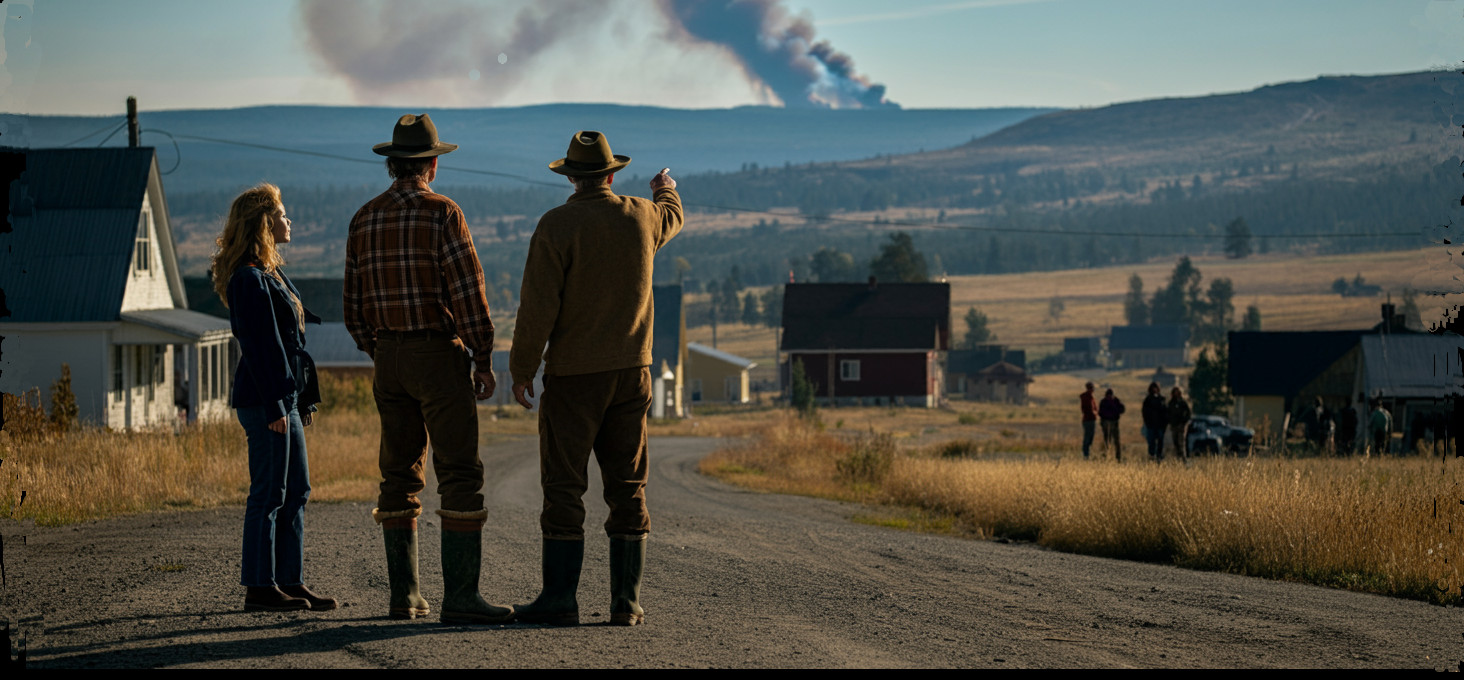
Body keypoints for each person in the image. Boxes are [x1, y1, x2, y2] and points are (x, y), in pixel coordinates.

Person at [509, 131, 683, 626]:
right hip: (633, 373)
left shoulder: (556, 225)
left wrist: (522, 370)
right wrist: (665, 187)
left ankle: (560, 599)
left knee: (564, 487)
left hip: (573, 379)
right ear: (611, 174)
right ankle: (625, 602)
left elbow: (538, 307)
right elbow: (672, 214)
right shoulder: (643, 216)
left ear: (569, 176)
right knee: (628, 485)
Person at [344, 113, 511, 624]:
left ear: (392, 164)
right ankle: (460, 597)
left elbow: (353, 309)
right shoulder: (444, 213)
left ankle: (406, 596)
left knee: (398, 474)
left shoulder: (364, 218)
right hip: (437, 354)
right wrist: (483, 358)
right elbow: (468, 294)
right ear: (432, 165)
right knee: (458, 471)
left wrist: (384, 351)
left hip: (388, 357)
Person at [213, 183, 334, 612]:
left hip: (286, 398)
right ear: (265, 223)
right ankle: (258, 588)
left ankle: (289, 580)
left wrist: (294, 400)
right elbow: (261, 346)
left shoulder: (269, 271)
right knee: (268, 493)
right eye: (282, 214)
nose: (289, 220)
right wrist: (277, 405)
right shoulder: (248, 277)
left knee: (297, 489)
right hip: (266, 400)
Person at [1141, 382, 1168, 462]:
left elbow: (1165, 412)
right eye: (1153, 388)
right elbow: (1145, 413)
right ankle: (1152, 457)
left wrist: (1164, 424)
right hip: (1151, 425)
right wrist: (1148, 423)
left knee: (1160, 443)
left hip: (1160, 425)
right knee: (1151, 443)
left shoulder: (1162, 399)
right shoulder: (1148, 400)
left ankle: (1159, 457)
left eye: (1156, 388)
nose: (1154, 389)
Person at [1097, 388, 1125, 461]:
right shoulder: (1104, 402)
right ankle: (1107, 456)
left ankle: (1117, 457)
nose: (1109, 397)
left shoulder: (1115, 401)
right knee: (1108, 441)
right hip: (1107, 423)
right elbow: (1100, 413)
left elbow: (1122, 409)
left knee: (1115, 441)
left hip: (1114, 423)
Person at [1167, 386, 1192, 461]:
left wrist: (1184, 422)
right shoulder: (1171, 403)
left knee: (1181, 444)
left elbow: (1188, 414)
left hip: (1181, 426)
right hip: (1174, 426)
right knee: (1175, 444)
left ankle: (1184, 459)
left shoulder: (1183, 403)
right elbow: (1168, 413)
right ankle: (1178, 459)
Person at [1079, 382, 1097, 459]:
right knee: (1088, 437)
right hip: (1088, 420)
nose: (1093, 390)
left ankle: (1087, 453)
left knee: (1090, 437)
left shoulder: (1090, 397)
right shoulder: (1087, 397)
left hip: (1089, 420)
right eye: (1092, 388)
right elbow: (1088, 409)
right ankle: (1086, 454)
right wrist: (1095, 413)